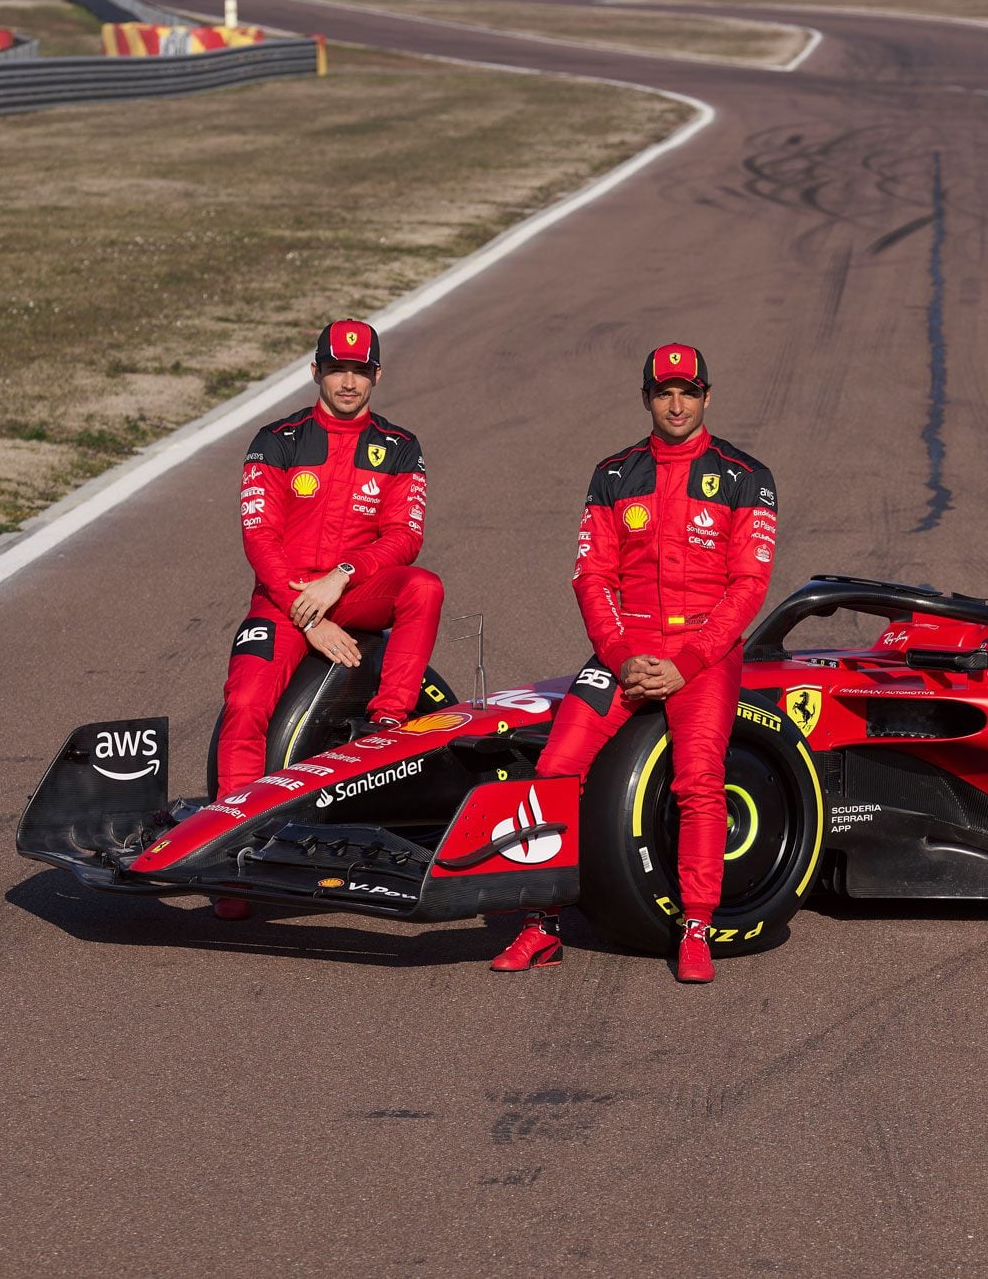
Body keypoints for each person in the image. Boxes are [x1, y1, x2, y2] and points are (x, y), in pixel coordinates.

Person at [492, 342, 777, 982]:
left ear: (707, 396)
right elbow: (592, 577)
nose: (676, 404)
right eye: (664, 392)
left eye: (688, 392)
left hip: (706, 652)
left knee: (700, 780)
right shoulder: (614, 474)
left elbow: (748, 586)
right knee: (555, 766)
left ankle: (696, 927)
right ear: (646, 397)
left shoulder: (745, 476)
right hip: (625, 648)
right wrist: (621, 656)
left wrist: (690, 662)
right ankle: (541, 925)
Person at [214, 319, 444, 920]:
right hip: (281, 600)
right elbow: (259, 537)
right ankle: (231, 860)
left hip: (352, 588)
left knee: (423, 588)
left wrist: (341, 575)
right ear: (315, 371)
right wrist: (305, 612)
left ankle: (388, 722)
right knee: (244, 706)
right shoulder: (276, 439)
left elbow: (404, 536)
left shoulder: (400, 447)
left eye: (360, 371)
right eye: (337, 369)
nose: (348, 381)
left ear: (376, 375)